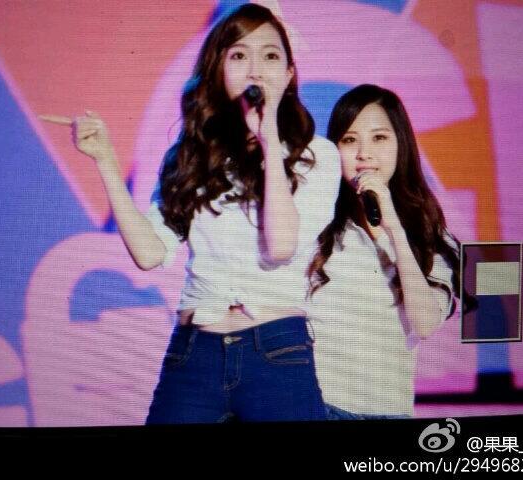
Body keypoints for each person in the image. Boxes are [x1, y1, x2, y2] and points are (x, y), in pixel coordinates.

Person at [40, 4, 340, 423]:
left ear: (289, 74)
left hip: (276, 351)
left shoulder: (315, 157)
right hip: (195, 351)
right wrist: (106, 161)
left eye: (270, 56)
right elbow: (150, 253)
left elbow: (281, 247)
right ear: (219, 71)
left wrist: (269, 141)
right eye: (239, 55)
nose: (255, 70)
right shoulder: (191, 158)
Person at [307, 84, 460, 419]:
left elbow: (425, 323)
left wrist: (394, 231)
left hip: (388, 409)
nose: (364, 153)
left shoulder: (431, 239)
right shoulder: (315, 227)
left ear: (400, 144)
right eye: (350, 140)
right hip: (319, 404)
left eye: (379, 138)